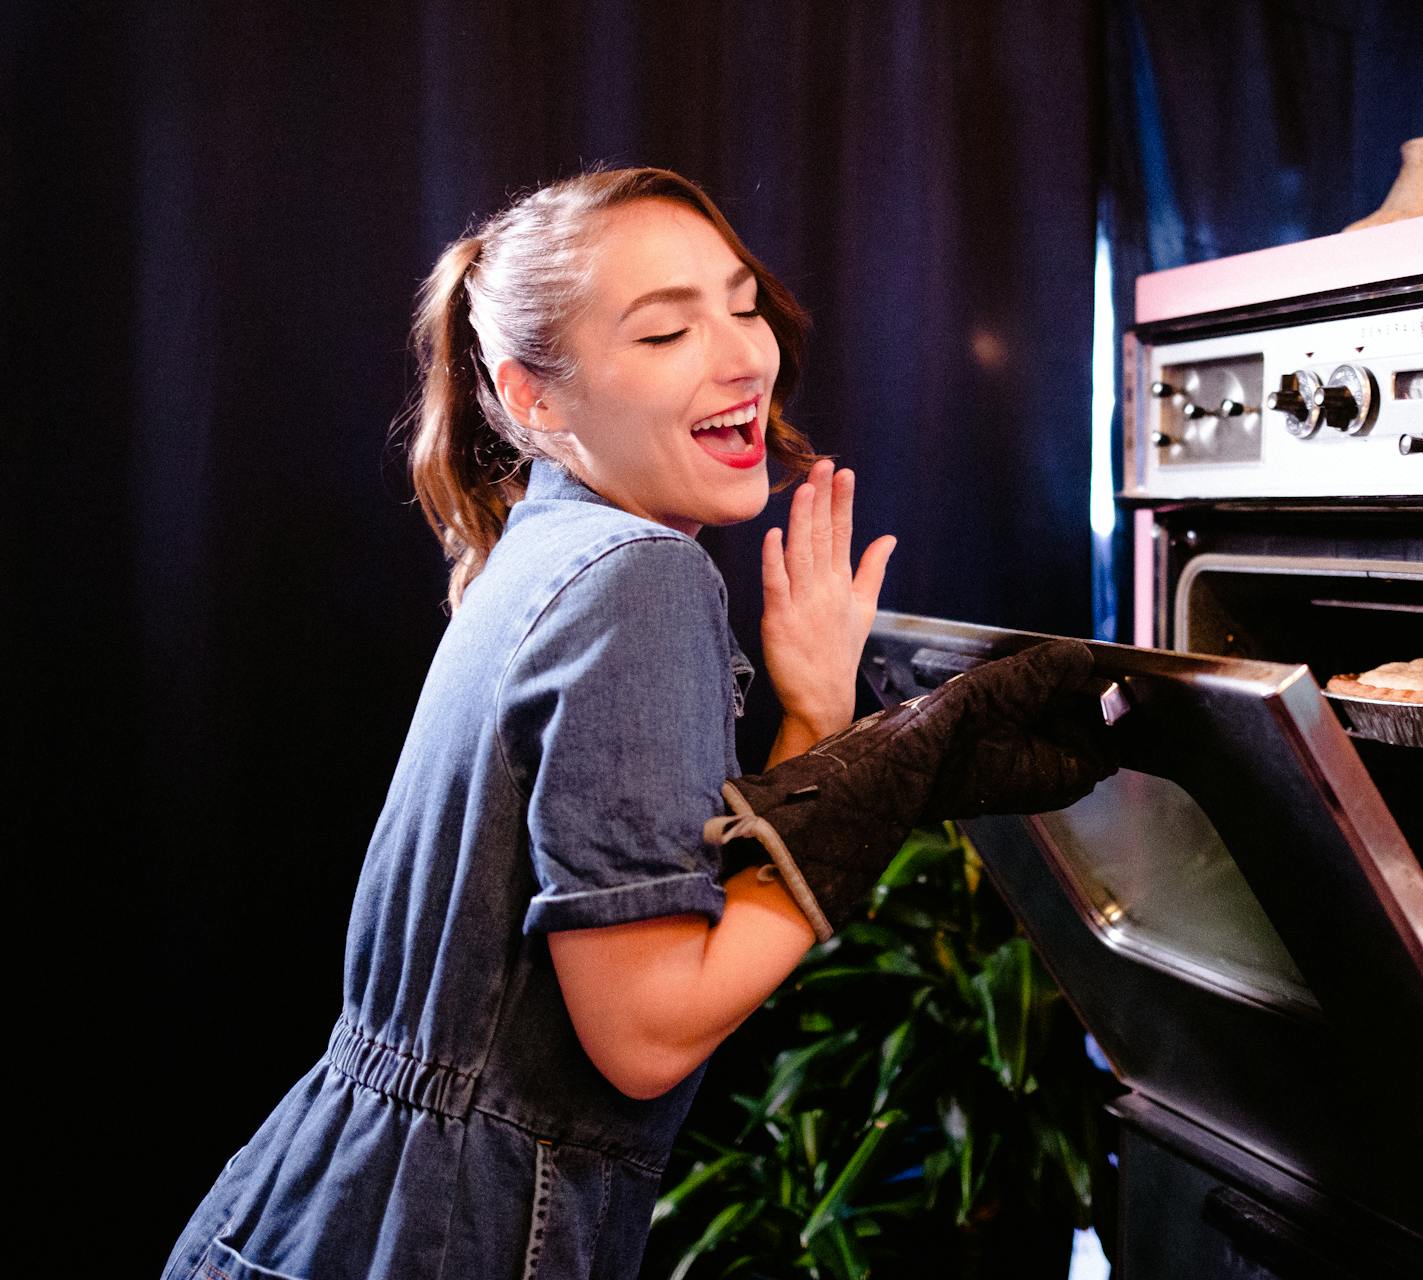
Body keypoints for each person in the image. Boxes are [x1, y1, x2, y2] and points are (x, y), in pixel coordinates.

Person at [159, 168, 1110, 1280]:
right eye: (666, 331)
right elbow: (649, 1031)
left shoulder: (547, 546)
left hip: (313, 1213)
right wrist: (889, 774)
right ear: (536, 399)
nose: (745, 355)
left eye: (743, 303)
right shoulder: (637, 574)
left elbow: (683, 964)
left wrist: (815, 721)